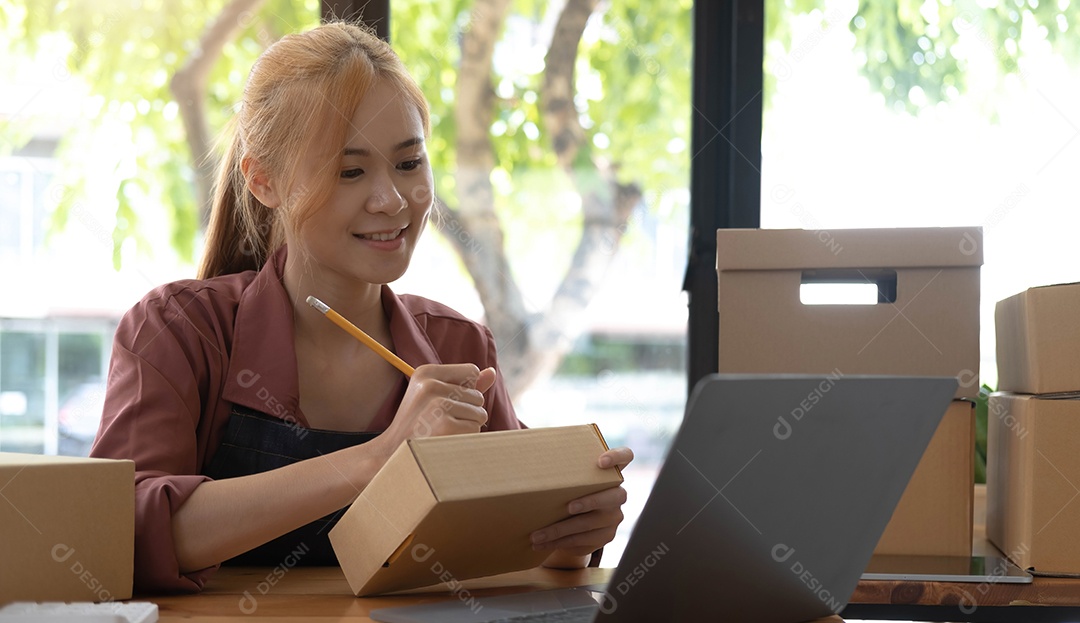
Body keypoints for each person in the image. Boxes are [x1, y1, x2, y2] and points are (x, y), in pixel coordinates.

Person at [90, 21, 633, 593]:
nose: (392, 200)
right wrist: (380, 458)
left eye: (408, 163)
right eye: (350, 171)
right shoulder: (177, 331)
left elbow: (514, 553)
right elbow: (115, 532)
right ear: (262, 179)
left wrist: (570, 539)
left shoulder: (458, 347)